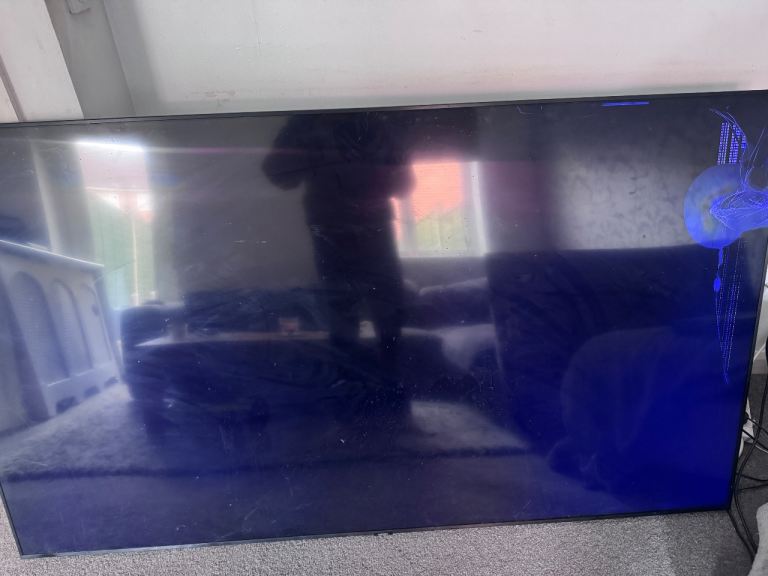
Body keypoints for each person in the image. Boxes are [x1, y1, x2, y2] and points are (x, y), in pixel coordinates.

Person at [263, 112, 414, 410]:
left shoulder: (376, 124)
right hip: (337, 233)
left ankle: (376, 396)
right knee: (350, 319)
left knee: (378, 318)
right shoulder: (309, 124)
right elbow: (278, 173)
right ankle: (357, 397)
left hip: (362, 231)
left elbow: (404, 184)